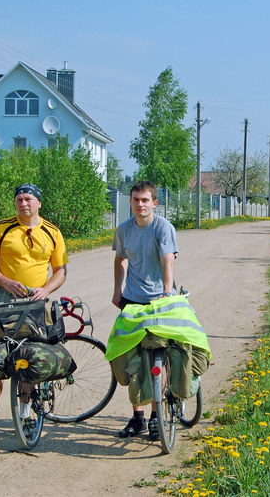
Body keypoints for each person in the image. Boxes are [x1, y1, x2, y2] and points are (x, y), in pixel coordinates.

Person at [0, 183, 68, 442]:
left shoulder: (52, 232)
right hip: (2, 299)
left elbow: (60, 270)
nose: (23, 203)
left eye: (28, 199)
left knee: (29, 357)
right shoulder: (2, 228)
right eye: (18, 199)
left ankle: (26, 413)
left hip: (34, 302)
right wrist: (5, 282)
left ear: (38, 203)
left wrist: (46, 289)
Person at [111, 180, 177, 440]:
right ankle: (137, 417)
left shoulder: (163, 227)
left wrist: (167, 291)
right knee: (132, 359)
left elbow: (167, 259)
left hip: (159, 299)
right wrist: (117, 290)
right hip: (132, 299)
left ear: (154, 203)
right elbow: (119, 259)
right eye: (136, 200)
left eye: (145, 200)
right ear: (130, 202)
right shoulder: (124, 229)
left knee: (157, 355)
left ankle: (155, 416)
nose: (140, 204)